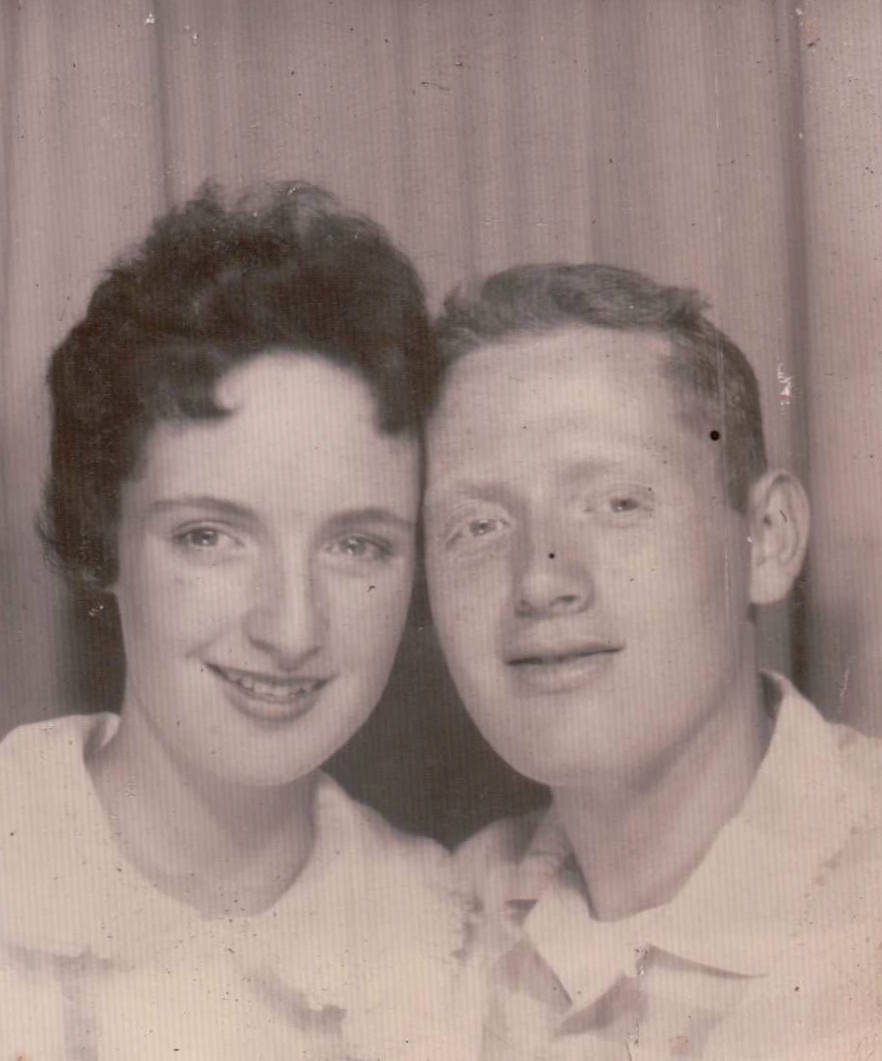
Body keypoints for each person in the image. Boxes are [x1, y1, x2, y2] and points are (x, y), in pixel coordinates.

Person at [0, 182, 477, 1060]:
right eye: (211, 535)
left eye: (358, 545)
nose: (291, 628)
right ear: (102, 534)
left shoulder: (456, 950)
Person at [424, 263, 882, 1059]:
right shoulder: (425, 932)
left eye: (618, 503)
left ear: (767, 539)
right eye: (479, 526)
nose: (540, 579)